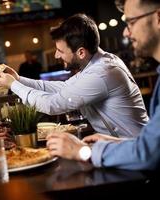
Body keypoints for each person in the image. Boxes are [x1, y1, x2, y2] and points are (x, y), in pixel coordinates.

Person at [0, 14, 148, 138]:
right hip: (119, 145)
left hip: (135, 151)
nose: (57, 56)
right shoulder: (97, 64)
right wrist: (18, 79)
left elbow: (52, 104)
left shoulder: (101, 73)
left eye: (61, 51)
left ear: (80, 52)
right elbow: (64, 87)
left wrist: (13, 86)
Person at [46, 0, 160, 170]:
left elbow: (148, 154)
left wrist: (83, 151)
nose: (126, 32)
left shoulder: (104, 69)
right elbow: (151, 145)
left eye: (131, 22)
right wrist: (115, 143)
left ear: (158, 18)